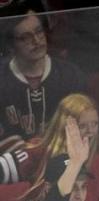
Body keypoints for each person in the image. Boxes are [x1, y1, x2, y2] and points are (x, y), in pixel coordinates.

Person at [0, 6, 88, 149]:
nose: (36, 41)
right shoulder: (2, 78)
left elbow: (85, 128)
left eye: (39, 32)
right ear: (11, 45)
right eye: (25, 38)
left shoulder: (71, 76)